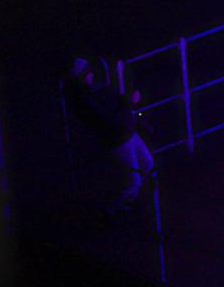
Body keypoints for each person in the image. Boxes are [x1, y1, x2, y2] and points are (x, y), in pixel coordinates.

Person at [62, 57, 155, 213]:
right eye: (87, 72)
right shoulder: (84, 100)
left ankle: (136, 205)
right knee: (133, 180)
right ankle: (114, 212)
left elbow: (116, 106)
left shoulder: (93, 90)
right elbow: (109, 120)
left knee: (148, 166)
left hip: (126, 133)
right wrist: (129, 103)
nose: (91, 74)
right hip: (117, 140)